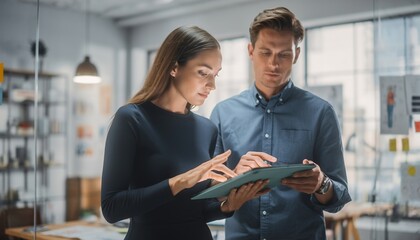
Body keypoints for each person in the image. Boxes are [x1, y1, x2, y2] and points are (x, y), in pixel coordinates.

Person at [101, 26, 269, 240]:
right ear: (174, 67)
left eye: (215, 75)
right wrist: (179, 182)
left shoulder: (207, 129)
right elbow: (112, 208)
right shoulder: (131, 119)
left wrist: (228, 205)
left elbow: (196, 212)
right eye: (203, 73)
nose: (212, 85)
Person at [210, 7, 352, 240]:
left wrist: (321, 183)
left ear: (296, 54)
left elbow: (338, 197)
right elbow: (208, 193)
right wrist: (232, 178)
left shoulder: (321, 113)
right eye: (265, 52)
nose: (273, 64)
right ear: (251, 51)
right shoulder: (222, 113)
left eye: (283, 54)